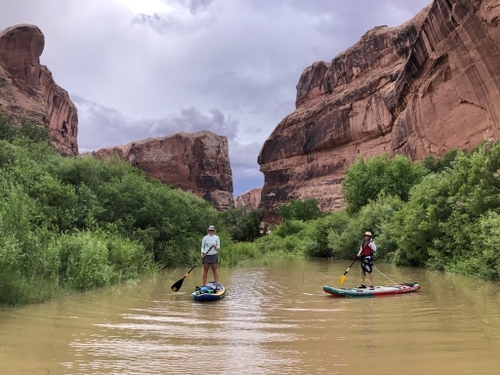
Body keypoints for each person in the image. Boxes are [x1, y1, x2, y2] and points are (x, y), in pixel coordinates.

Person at [200, 225, 220, 289]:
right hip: (206, 255)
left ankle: (216, 285)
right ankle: (204, 285)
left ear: (214, 231)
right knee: (205, 270)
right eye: (210, 230)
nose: (211, 231)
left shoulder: (217, 237)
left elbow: (218, 248)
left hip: (214, 255)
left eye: (212, 230)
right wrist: (202, 253)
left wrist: (215, 246)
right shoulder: (205, 238)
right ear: (208, 231)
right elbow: (202, 247)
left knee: (215, 270)